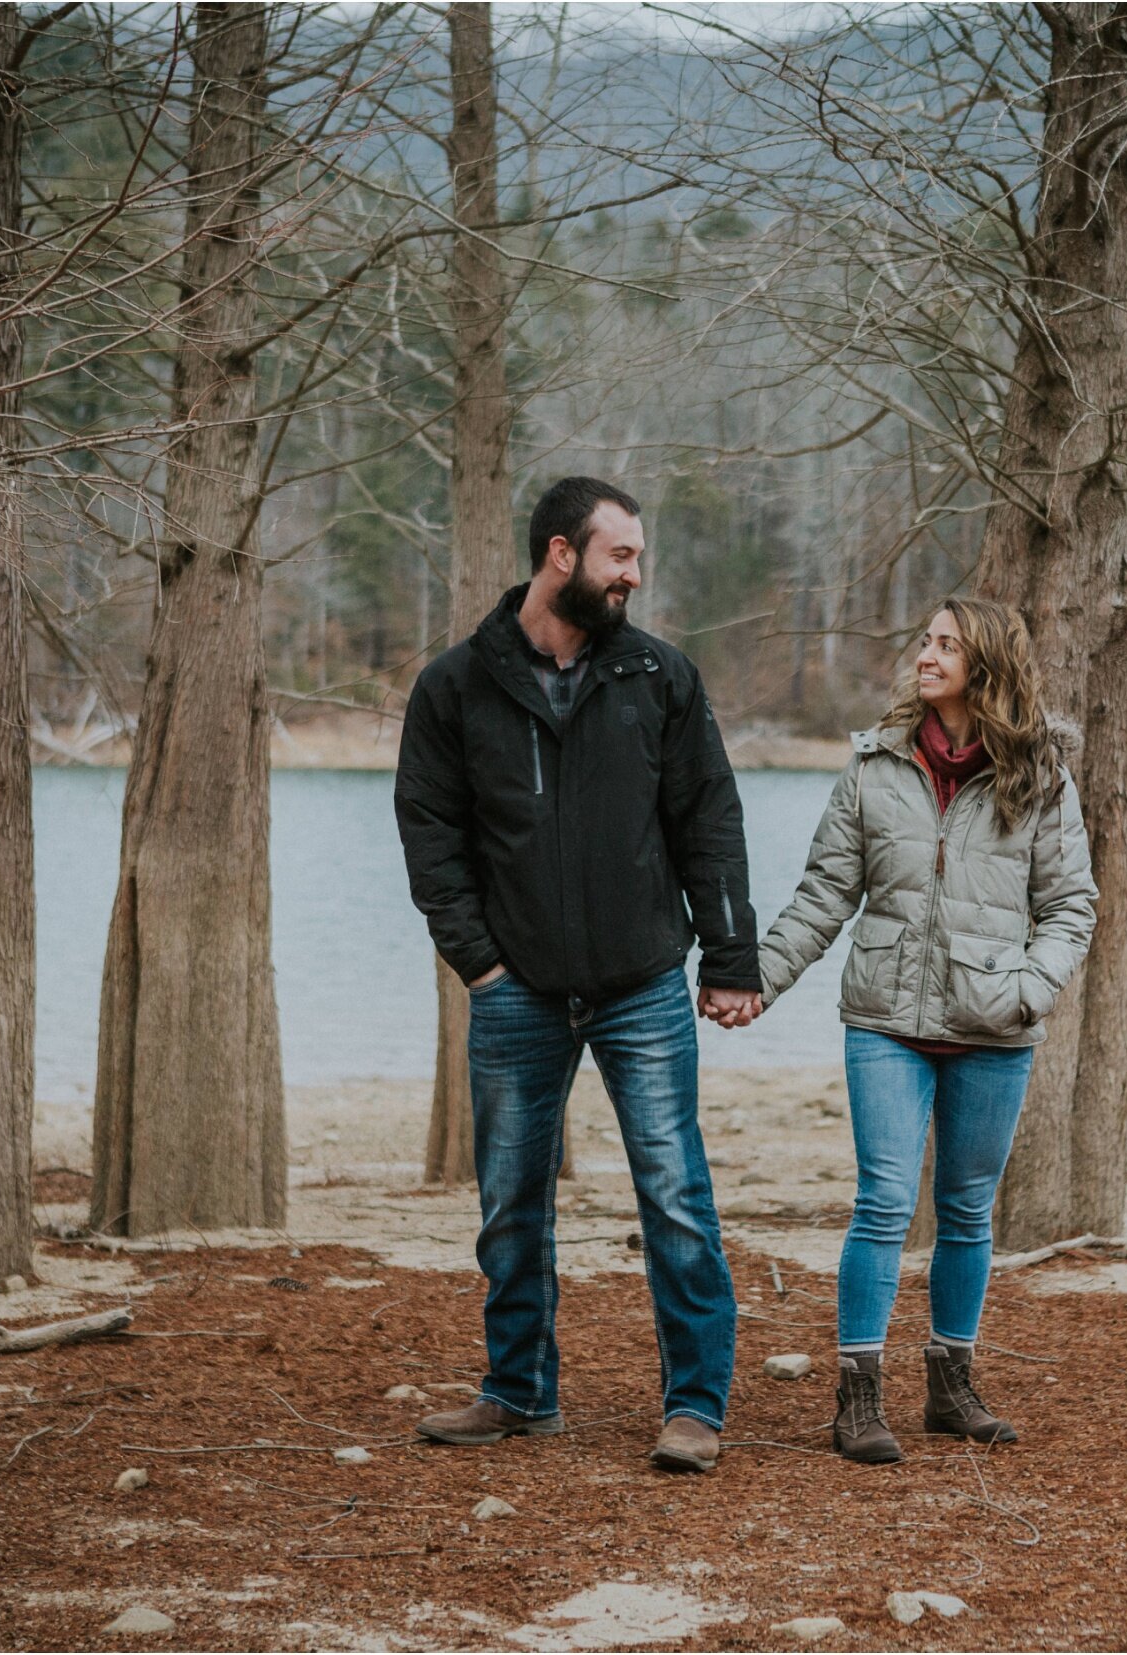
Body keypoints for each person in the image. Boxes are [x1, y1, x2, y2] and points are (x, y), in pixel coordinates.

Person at [394, 476, 764, 1475]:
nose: (633, 575)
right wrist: (478, 961)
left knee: (674, 1192)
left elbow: (709, 820)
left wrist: (729, 955)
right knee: (510, 1198)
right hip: (515, 991)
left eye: (635, 557)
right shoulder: (454, 686)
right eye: (620, 556)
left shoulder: (658, 675)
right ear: (561, 554)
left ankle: (694, 1404)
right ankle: (518, 1391)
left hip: (642, 980)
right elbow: (431, 834)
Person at [754, 597, 1096, 1464]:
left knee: (968, 1212)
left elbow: (1070, 906)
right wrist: (756, 979)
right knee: (883, 1201)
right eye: (927, 640)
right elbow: (826, 893)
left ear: (985, 663)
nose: (927, 654)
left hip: (995, 1026)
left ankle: (951, 1384)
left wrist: (1029, 987)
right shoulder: (874, 765)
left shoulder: (1040, 774)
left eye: (947, 643)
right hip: (886, 1022)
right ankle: (858, 1397)